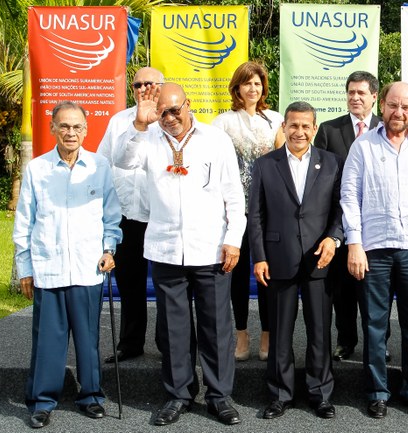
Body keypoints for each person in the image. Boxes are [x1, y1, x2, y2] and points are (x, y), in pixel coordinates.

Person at [114, 82, 245, 426]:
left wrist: (233, 239)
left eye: (175, 110)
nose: (170, 118)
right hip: (166, 248)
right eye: (163, 113)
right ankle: (179, 394)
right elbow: (122, 160)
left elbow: (234, 194)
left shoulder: (215, 139)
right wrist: (140, 124)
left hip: (211, 248)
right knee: (173, 328)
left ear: (188, 105)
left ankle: (219, 396)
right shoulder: (148, 138)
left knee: (216, 326)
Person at [14, 101, 122, 429]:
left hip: (88, 268)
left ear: (86, 131)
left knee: (88, 340)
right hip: (49, 268)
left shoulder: (99, 166)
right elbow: (24, 222)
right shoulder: (37, 169)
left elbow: (111, 216)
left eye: (77, 127)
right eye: (64, 126)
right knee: (48, 341)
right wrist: (25, 268)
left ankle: (91, 396)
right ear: (53, 129)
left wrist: (109, 249)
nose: (70, 132)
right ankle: (42, 401)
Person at [340, 81, 408, 419]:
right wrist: (354, 243)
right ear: (382, 104)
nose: (399, 112)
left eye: (406, 107)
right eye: (393, 105)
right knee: (374, 325)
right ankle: (377, 392)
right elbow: (349, 197)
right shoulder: (362, 146)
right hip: (374, 249)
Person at [249, 101, 343, 420]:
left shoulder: (331, 163)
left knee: (320, 330)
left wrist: (333, 237)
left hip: (319, 258)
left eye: (305, 126)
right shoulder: (265, 164)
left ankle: (321, 393)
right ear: (284, 127)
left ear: (314, 129)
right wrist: (259, 257)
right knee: (280, 331)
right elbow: (256, 215)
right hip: (278, 258)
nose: (299, 132)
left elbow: (340, 209)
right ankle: (280, 394)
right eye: (293, 125)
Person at [212, 61, 284, 362]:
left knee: (268, 273)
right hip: (235, 211)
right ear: (237, 88)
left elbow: (283, 164)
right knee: (237, 275)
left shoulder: (276, 119)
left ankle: (267, 332)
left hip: (268, 209)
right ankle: (241, 333)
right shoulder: (222, 123)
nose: (253, 89)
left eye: (257, 83)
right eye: (247, 83)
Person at [97, 67, 163, 363]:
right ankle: (130, 343)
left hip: (159, 215)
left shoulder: (170, 120)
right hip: (125, 215)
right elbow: (104, 163)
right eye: (138, 84)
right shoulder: (119, 121)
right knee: (129, 283)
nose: (143, 88)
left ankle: (169, 344)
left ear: (161, 86)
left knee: (167, 285)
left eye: (150, 83)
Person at [314, 71, 380, 362]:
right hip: (340, 222)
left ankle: (378, 343)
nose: (355, 97)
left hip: (378, 223)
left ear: (374, 97)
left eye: (361, 93)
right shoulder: (329, 130)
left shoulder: (386, 128)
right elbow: (319, 179)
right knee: (343, 289)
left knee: (376, 290)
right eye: (351, 92)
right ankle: (346, 340)